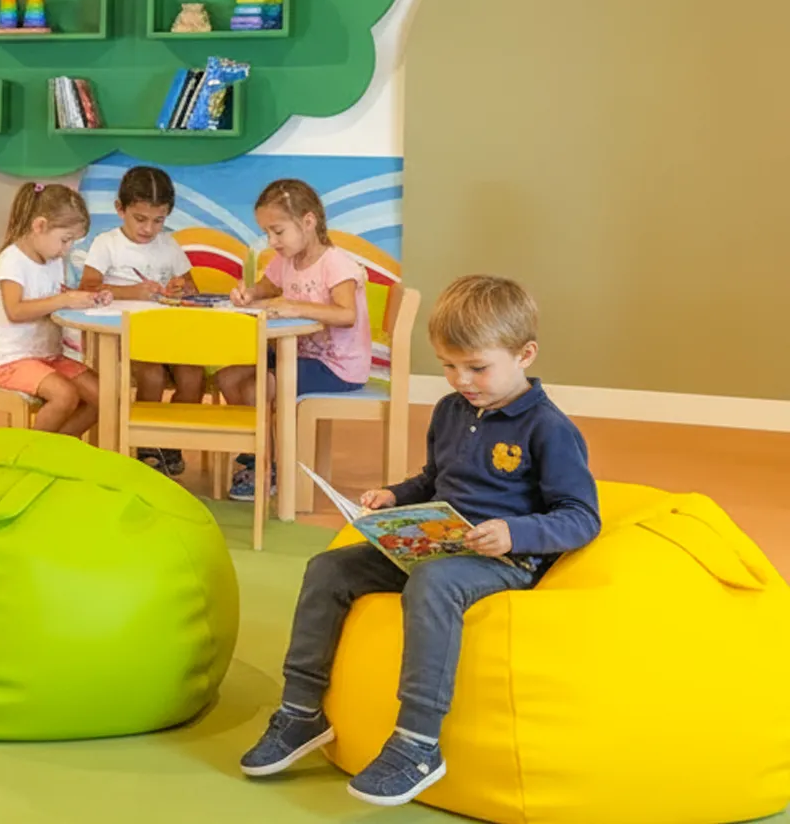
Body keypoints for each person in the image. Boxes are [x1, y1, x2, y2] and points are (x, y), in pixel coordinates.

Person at [238, 275, 601, 806]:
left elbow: (581, 517)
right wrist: (394, 496)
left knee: (433, 582)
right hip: (435, 542)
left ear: (525, 354)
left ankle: (418, 742)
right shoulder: (451, 410)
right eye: (449, 366)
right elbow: (435, 479)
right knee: (329, 568)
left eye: (477, 367)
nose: (462, 380)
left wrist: (514, 532)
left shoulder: (548, 428)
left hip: (506, 559)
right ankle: (300, 711)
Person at [218, 179, 372, 501]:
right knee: (228, 376)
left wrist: (294, 306)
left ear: (308, 222)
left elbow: (347, 315)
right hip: (295, 353)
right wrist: (248, 294)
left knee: (260, 387)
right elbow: (266, 287)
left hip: (337, 365)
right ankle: (255, 451)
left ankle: (268, 466)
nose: (272, 241)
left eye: (278, 231)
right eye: (267, 233)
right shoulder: (286, 259)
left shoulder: (336, 264)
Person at [78, 165, 204, 475]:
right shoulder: (107, 243)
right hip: (125, 338)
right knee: (152, 377)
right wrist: (131, 291)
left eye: (158, 221)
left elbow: (192, 289)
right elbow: (87, 288)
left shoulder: (169, 245)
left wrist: (181, 287)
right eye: (140, 219)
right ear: (120, 209)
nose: (148, 229)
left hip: (169, 336)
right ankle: (145, 443)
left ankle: (169, 438)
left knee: (193, 378)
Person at [0, 182, 108, 436]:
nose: (67, 249)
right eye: (65, 240)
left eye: (72, 242)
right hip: (12, 360)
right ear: (39, 226)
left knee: (105, 396)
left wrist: (89, 298)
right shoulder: (12, 261)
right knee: (65, 395)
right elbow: (16, 311)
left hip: (49, 356)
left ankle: (55, 450)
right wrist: (64, 300)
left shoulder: (53, 260)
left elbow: (56, 297)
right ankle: (30, 455)